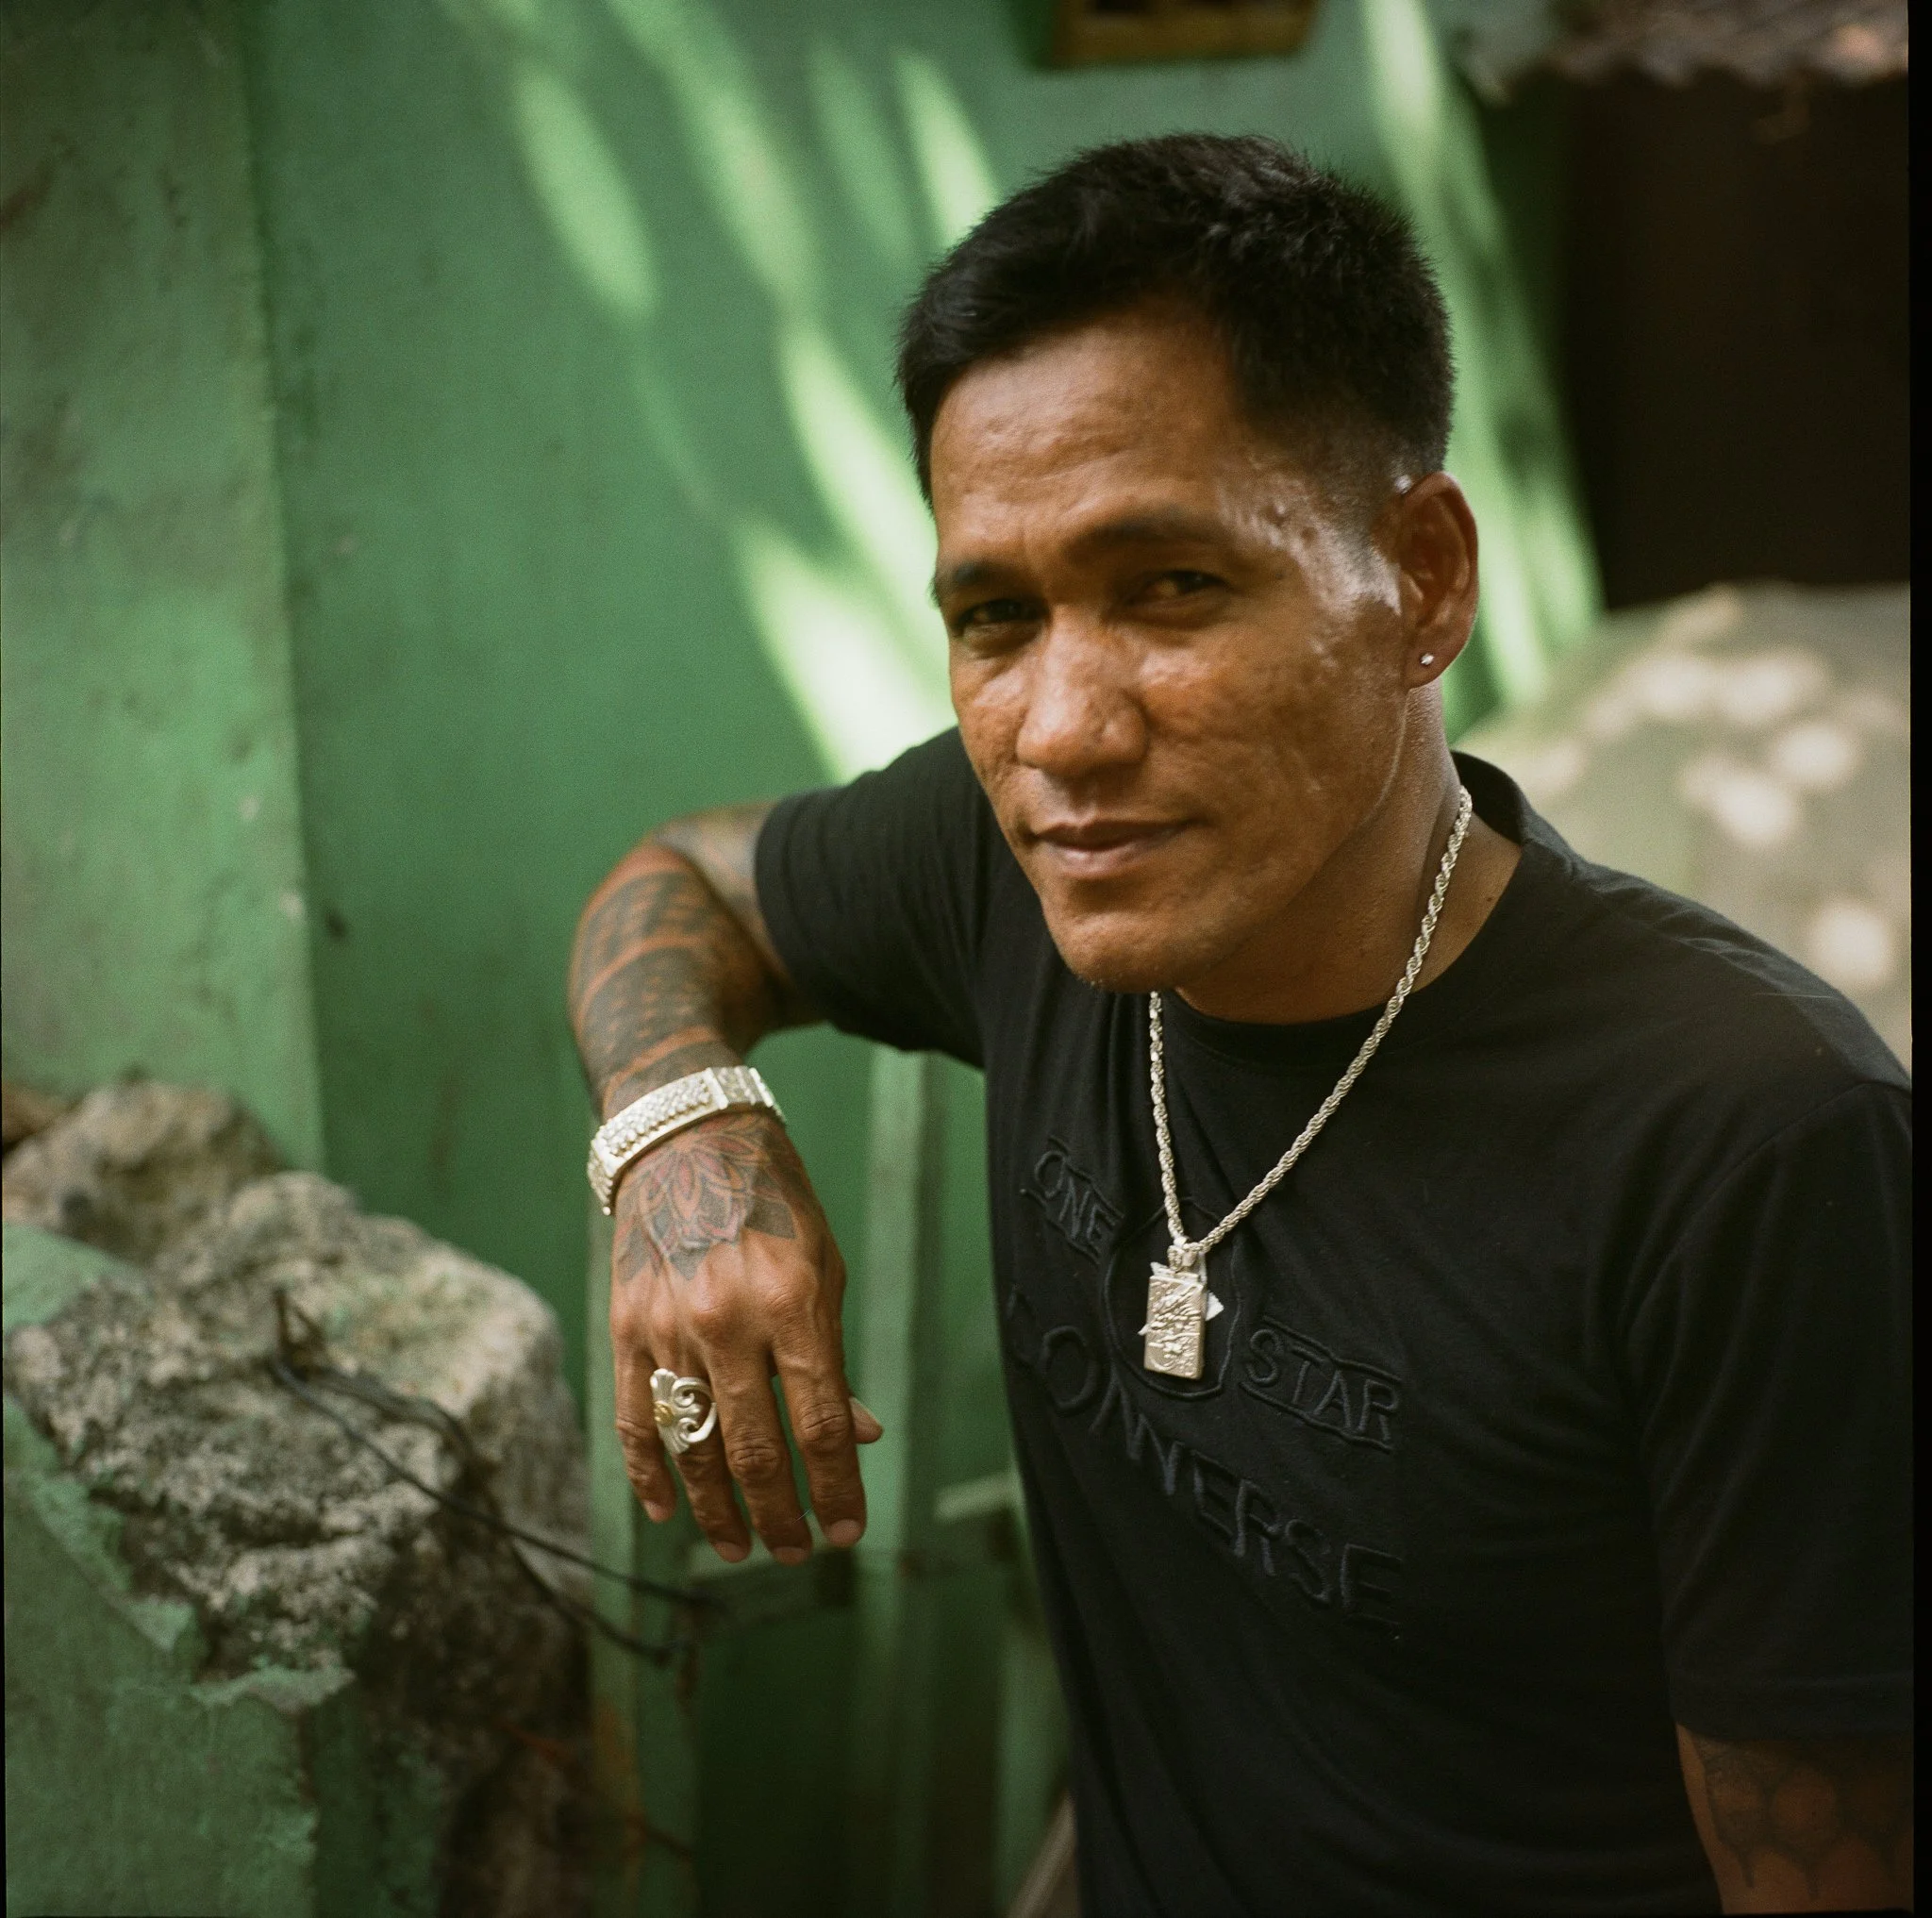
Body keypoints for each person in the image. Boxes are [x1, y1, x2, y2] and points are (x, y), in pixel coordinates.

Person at [568, 136, 1911, 1914]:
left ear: (1420, 579)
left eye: (1172, 588)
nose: (1062, 728)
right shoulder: (1019, 870)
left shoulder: (1753, 1146)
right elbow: (685, 884)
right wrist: (679, 1127)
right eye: (996, 615)